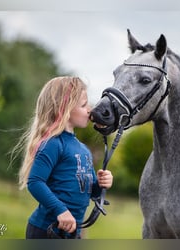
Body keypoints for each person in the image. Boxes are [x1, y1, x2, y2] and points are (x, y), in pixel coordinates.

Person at [16, 76, 113, 239]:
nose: (90, 110)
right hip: (47, 231)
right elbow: (35, 182)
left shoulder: (83, 149)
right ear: (64, 109)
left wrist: (100, 184)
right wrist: (61, 210)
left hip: (73, 232)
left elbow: (87, 191)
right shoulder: (53, 144)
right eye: (83, 105)